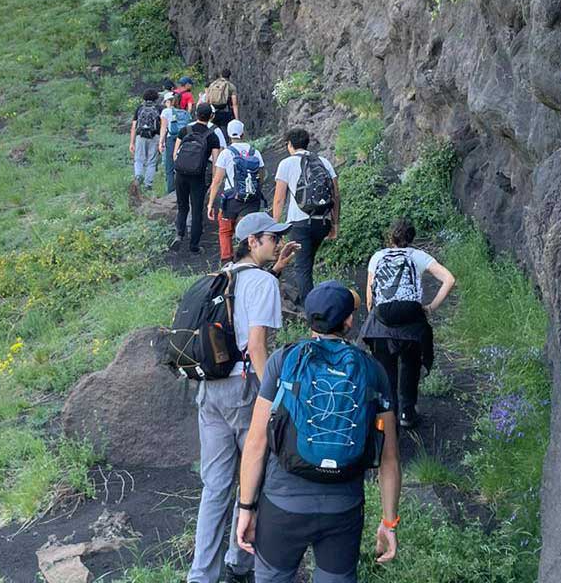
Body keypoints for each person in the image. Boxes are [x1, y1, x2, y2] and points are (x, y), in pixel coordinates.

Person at [235, 281, 401, 582]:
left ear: (309, 319)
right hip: (343, 507)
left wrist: (246, 507)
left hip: (282, 503)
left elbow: (257, 441)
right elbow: (389, 458)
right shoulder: (372, 370)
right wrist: (389, 522)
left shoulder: (283, 360)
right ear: (348, 321)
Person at [187, 212, 300, 583]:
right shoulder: (262, 283)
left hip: (210, 389)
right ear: (252, 241)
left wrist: (276, 269)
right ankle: (240, 562)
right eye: (272, 238)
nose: (277, 243)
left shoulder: (224, 275)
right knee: (253, 477)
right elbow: (257, 346)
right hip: (244, 389)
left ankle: (201, 575)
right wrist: (275, 398)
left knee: (215, 486)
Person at [363, 218, 455, 428]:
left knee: (386, 372)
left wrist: (377, 321)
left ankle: (389, 418)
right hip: (411, 322)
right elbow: (449, 279)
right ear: (412, 238)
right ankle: (407, 413)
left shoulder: (378, 257)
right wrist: (430, 307)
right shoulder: (418, 256)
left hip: (383, 322)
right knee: (410, 366)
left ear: (390, 237)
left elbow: (370, 298)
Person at [272, 128, 339, 302]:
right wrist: (335, 224)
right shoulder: (324, 161)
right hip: (323, 222)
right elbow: (335, 195)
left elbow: (279, 200)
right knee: (307, 263)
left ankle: (310, 309)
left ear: (290, 144)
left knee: (302, 268)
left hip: (300, 224)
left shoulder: (286, 164)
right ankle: (312, 301)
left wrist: (276, 229)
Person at [207, 120, 266, 265]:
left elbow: (217, 180)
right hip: (251, 199)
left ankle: (227, 261)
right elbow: (261, 176)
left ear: (228, 134)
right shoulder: (255, 152)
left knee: (225, 231)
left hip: (231, 199)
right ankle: (247, 261)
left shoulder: (226, 153)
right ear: (243, 133)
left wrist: (210, 203)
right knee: (248, 231)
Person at [174, 103, 226, 253]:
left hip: (181, 175)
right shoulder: (213, 136)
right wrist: (214, 181)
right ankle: (194, 246)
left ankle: (179, 234)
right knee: (196, 210)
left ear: (196, 114)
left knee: (182, 207)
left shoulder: (185, 130)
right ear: (211, 116)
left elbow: (175, 155)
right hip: (198, 176)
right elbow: (215, 163)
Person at [159, 90, 192, 195]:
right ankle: (183, 190)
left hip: (171, 140)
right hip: (183, 140)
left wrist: (160, 142)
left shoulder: (166, 112)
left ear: (169, 101)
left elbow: (163, 128)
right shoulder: (184, 112)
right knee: (182, 165)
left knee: (169, 167)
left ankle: (171, 191)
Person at [129, 88, 161, 191]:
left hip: (140, 136)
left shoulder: (139, 108)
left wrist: (132, 142)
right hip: (155, 136)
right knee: (151, 161)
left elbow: (134, 126)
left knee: (138, 159)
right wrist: (162, 141)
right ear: (156, 97)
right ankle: (148, 185)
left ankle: (138, 177)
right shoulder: (159, 108)